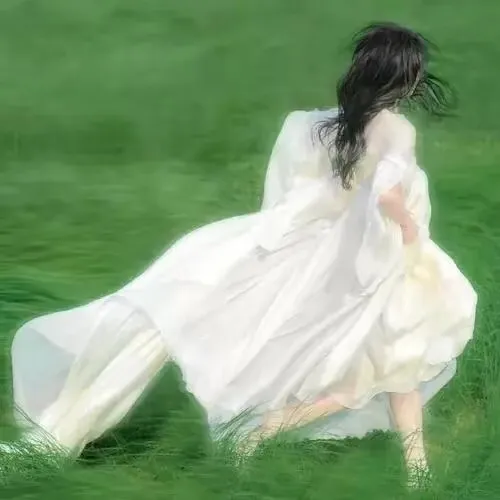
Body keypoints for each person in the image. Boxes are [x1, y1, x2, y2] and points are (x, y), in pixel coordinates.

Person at [2, 23, 476, 489]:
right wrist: (409, 228)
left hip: (339, 257)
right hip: (377, 261)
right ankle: (274, 432)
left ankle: (410, 470)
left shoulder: (320, 125)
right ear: (403, 78)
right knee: (392, 362)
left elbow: (296, 194)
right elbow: (388, 193)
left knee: (395, 362)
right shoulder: (395, 128)